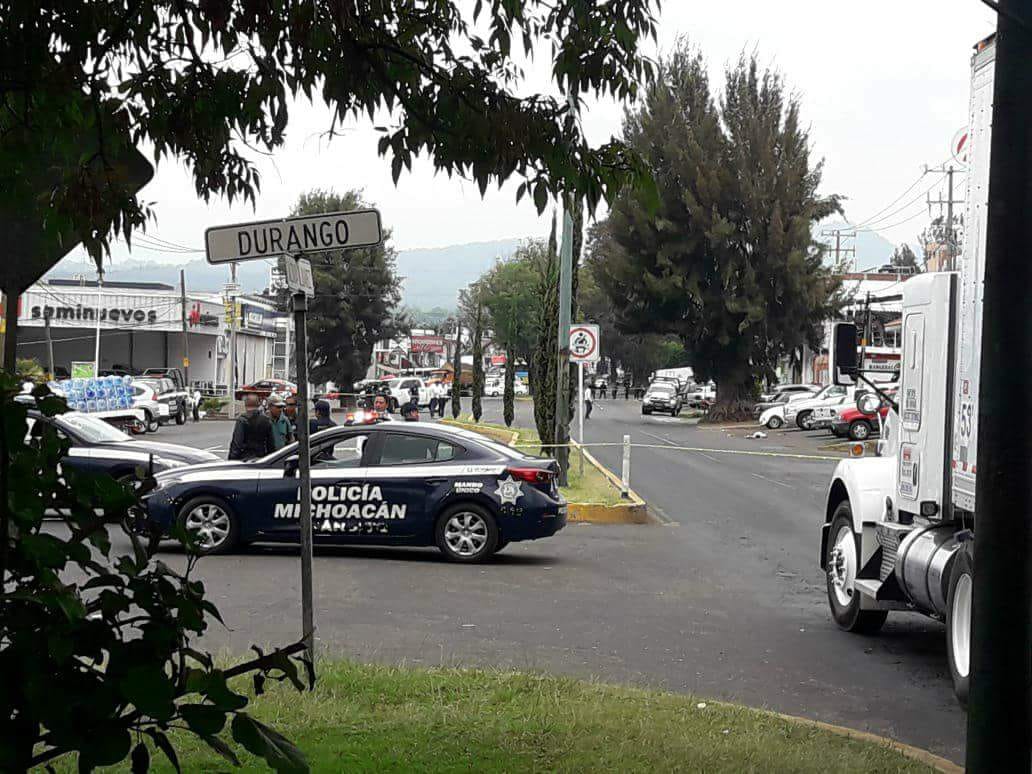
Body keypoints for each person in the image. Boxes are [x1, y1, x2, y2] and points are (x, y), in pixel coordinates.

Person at [228, 393, 275, 460]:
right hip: (261, 458)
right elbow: (271, 444)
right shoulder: (266, 420)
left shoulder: (242, 420)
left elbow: (237, 444)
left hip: (245, 459)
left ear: (245, 404)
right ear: (258, 404)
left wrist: (232, 459)